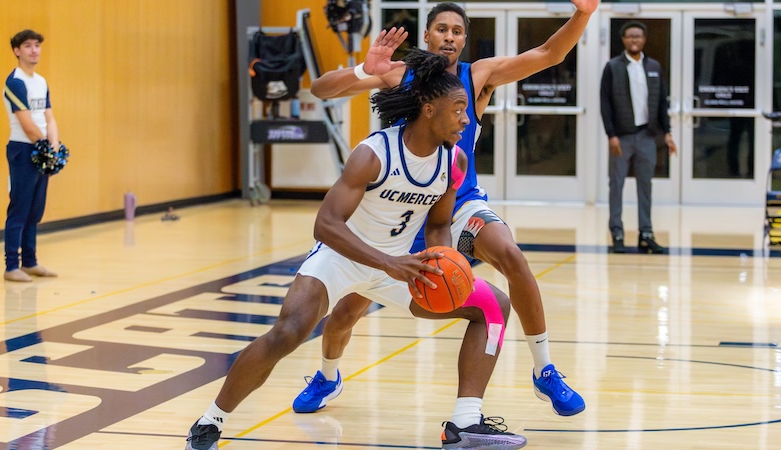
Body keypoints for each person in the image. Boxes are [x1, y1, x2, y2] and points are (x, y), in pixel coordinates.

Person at [186, 49, 528, 450]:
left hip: (400, 266)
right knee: (288, 332)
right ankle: (211, 419)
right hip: (342, 258)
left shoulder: (454, 161)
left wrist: (441, 261)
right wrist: (388, 262)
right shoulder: (373, 153)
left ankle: (465, 424)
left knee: (493, 306)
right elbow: (325, 226)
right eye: (458, 110)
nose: (467, 119)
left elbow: (437, 225)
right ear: (429, 110)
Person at [295, 0, 597, 418]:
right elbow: (322, 89)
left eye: (457, 30)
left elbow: (549, 54)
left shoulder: (479, 76)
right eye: (441, 29)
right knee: (347, 310)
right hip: (403, 209)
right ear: (427, 36)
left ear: (464, 40)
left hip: (459, 203)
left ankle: (544, 369)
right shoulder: (400, 74)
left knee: (510, 254)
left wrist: (582, 14)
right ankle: (328, 375)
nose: (449, 37)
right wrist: (365, 70)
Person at [600, 21, 677, 254]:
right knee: (617, 184)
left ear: (644, 39)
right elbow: (605, 103)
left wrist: (668, 133)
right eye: (630, 36)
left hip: (647, 135)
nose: (634, 40)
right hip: (621, 137)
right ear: (623, 39)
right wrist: (611, 135)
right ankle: (618, 233)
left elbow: (662, 101)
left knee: (646, 186)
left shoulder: (653, 66)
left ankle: (646, 233)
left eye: (638, 36)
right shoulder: (613, 67)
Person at [2, 29, 59, 282]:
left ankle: (30, 261)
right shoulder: (15, 82)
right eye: (28, 46)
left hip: (42, 149)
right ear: (17, 51)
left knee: (36, 209)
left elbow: (49, 116)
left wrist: (54, 145)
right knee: (20, 208)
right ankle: (11, 266)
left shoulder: (42, 81)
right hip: (23, 149)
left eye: (37, 45)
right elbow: (26, 124)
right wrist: (44, 145)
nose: (34, 50)